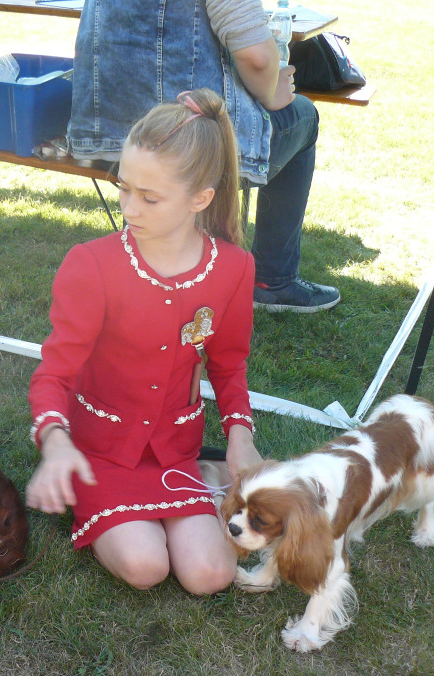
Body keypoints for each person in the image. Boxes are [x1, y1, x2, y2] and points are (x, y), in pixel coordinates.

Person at [26, 90, 261, 595]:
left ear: (201, 198)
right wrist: (56, 442)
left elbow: (229, 364)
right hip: (101, 450)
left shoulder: (234, 269)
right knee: (145, 567)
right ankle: (108, 495)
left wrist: (240, 435)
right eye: (123, 188)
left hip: (174, 449)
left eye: (149, 198)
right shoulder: (91, 264)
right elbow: (54, 374)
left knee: (210, 576)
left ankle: (208, 466)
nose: (129, 208)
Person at [59, 0, 339, 313]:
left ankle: (153, 279)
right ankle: (272, 281)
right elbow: (257, 58)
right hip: (184, 144)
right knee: (302, 114)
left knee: (185, 147)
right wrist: (271, 91)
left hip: (106, 139)